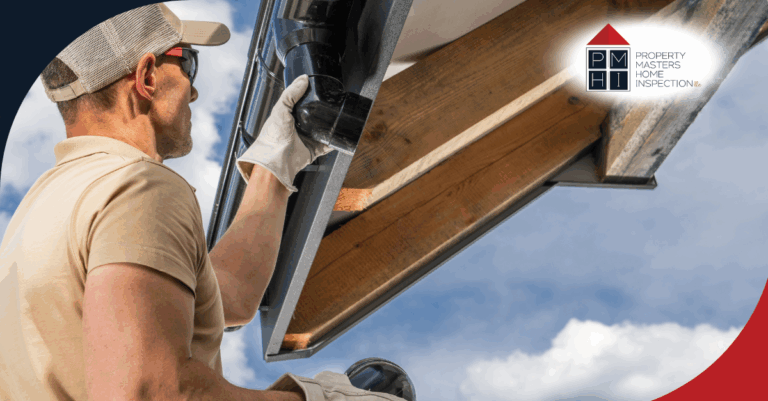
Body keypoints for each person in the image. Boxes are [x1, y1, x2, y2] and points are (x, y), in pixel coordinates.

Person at [0, 4, 405, 401]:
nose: (193, 89)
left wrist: (274, 166)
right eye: (187, 63)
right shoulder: (138, 189)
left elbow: (226, 293)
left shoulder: (40, 214)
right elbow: (153, 392)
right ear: (146, 78)